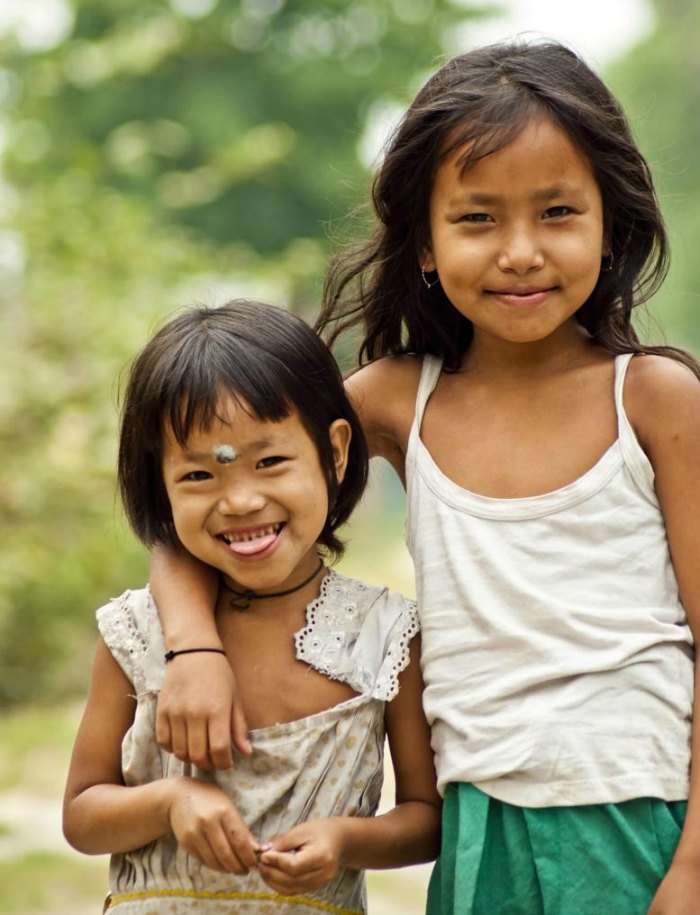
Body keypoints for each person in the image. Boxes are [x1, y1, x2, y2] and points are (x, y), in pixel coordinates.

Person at [146, 41, 700, 914]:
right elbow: (207, 501)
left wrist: (695, 865)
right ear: (428, 245)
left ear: (610, 224)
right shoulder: (397, 400)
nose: (520, 251)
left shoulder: (657, 400)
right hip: (482, 824)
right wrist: (193, 648)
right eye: (477, 219)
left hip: (644, 816)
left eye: (557, 211)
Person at [62, 300, 441, 915]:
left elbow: (427, 819)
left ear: (336, 452)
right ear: (159, 482)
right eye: (198, 477)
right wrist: (171, 801)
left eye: (270, 462)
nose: (239, 500)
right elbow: (82, 816)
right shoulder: (138, 634)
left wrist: (346, 840)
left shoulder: (385, 636)